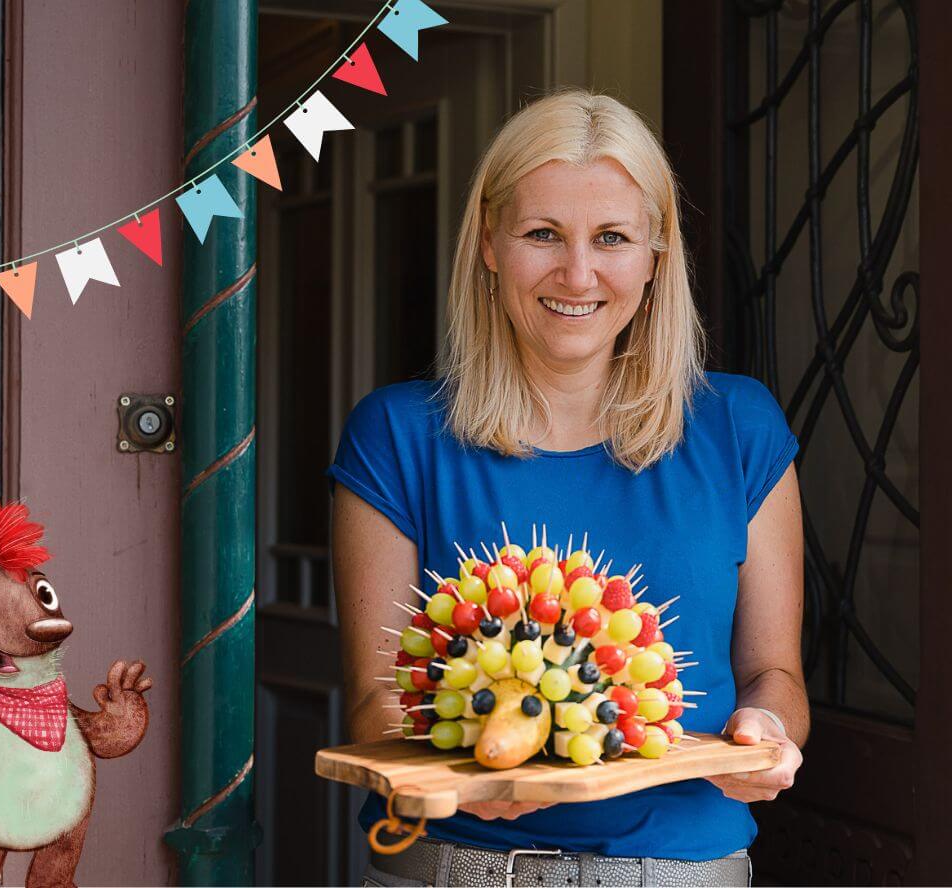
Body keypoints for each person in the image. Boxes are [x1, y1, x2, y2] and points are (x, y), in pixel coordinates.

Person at [327, 88, 807, 888]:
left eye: (612, 237)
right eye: (542, 233)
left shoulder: (739, 428)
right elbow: (376, 701)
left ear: (656, 256)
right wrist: (472, 768)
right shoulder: (398, 436)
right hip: (457, 868)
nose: (577, 273)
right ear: (489, 243)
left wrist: (768, 729)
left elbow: (774, 676)